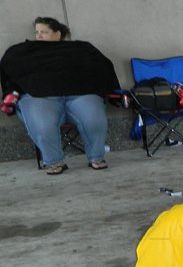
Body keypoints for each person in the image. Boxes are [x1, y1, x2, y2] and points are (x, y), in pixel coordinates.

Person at [0, 17, 119, 174]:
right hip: (39, 95)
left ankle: (96, 157)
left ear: (58, 34)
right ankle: (54, 161)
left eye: (44, 32)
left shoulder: (81, 48)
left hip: (79, 93)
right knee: (42, 124)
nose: (39, 36)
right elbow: (9, 72)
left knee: (94, 120)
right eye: (37, 32)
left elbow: (103, 67)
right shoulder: (22, 51)